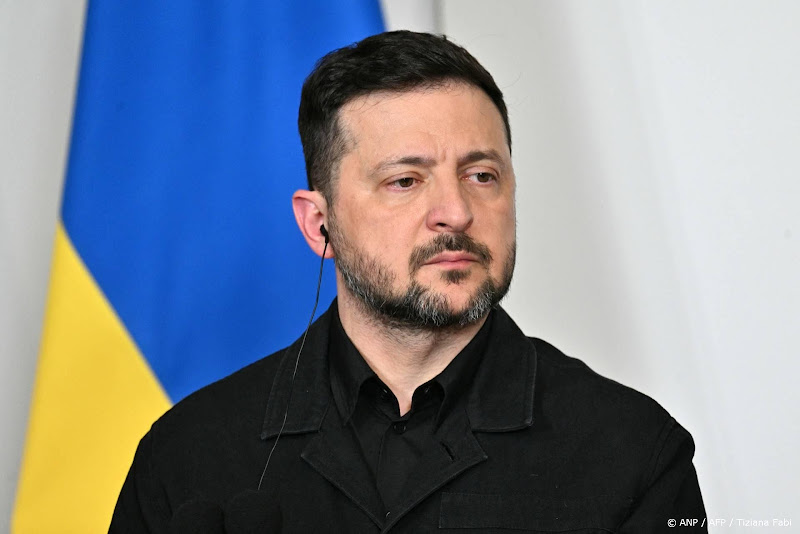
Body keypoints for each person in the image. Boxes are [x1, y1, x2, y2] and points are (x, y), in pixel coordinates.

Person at [111, 30, 706, 533]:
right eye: (405, 181)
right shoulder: (187, 457)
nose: (456, 211)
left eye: (481, 174)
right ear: (319, 225)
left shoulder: (636, 455)